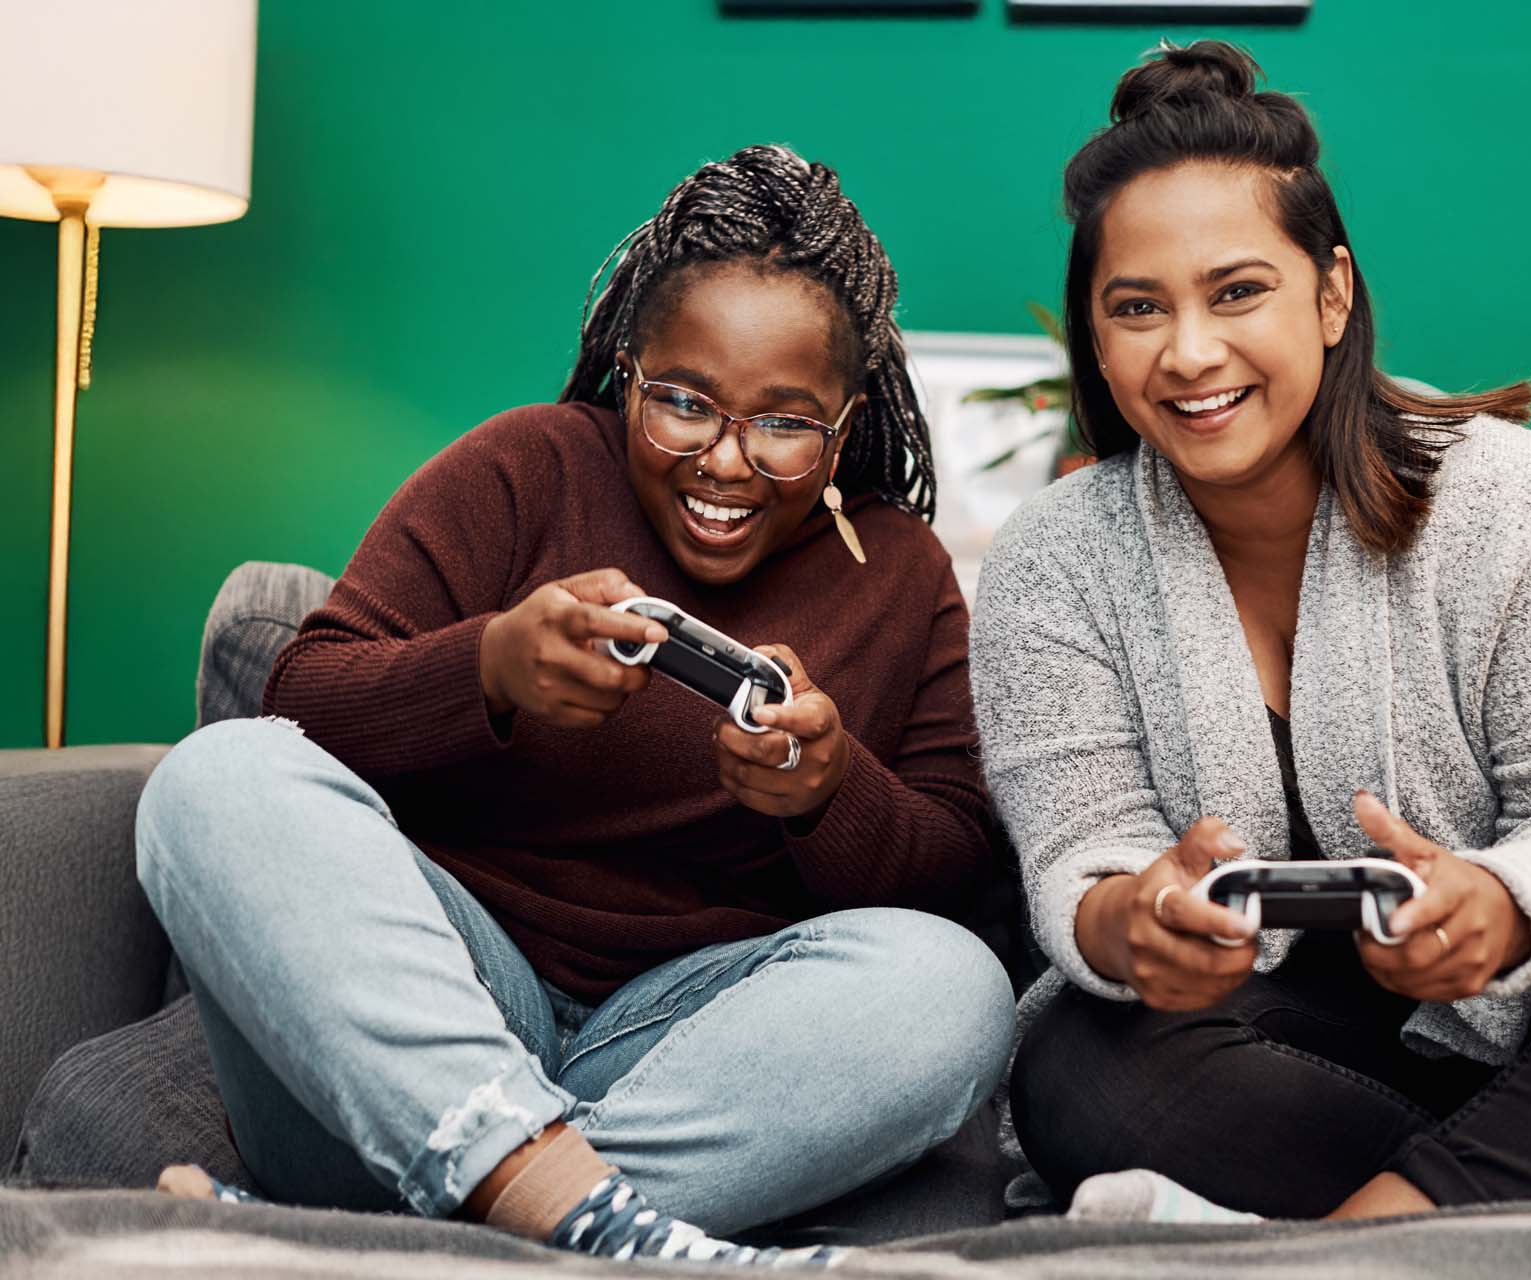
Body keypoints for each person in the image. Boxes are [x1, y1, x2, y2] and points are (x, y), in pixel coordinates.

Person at [970, 40, 1531, 1223]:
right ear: (1099, 341)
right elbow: (1078, 846)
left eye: (1237, 290)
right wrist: (1132, 921)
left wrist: (1502, 908)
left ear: (1332, 293)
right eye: (1138, 308)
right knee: (1077, 1068)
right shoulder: (1055, 559)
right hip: (1286, 1041)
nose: (1189, 351)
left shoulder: (1515, 500)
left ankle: (1372, 1229)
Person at [136, 143, 1015, 1268]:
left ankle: (407, 1234)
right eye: (683, 404)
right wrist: (489, 669)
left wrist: (829, 790)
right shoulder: (528, 467)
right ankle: (591, 1220)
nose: (726, 462)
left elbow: (954, 869)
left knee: (954, 987)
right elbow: (305, 695)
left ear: (846, 424)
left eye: (785, 423)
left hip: (687, 1049)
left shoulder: (900, 574)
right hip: (431, 1004)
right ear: (627, 369)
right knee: (219, 776)